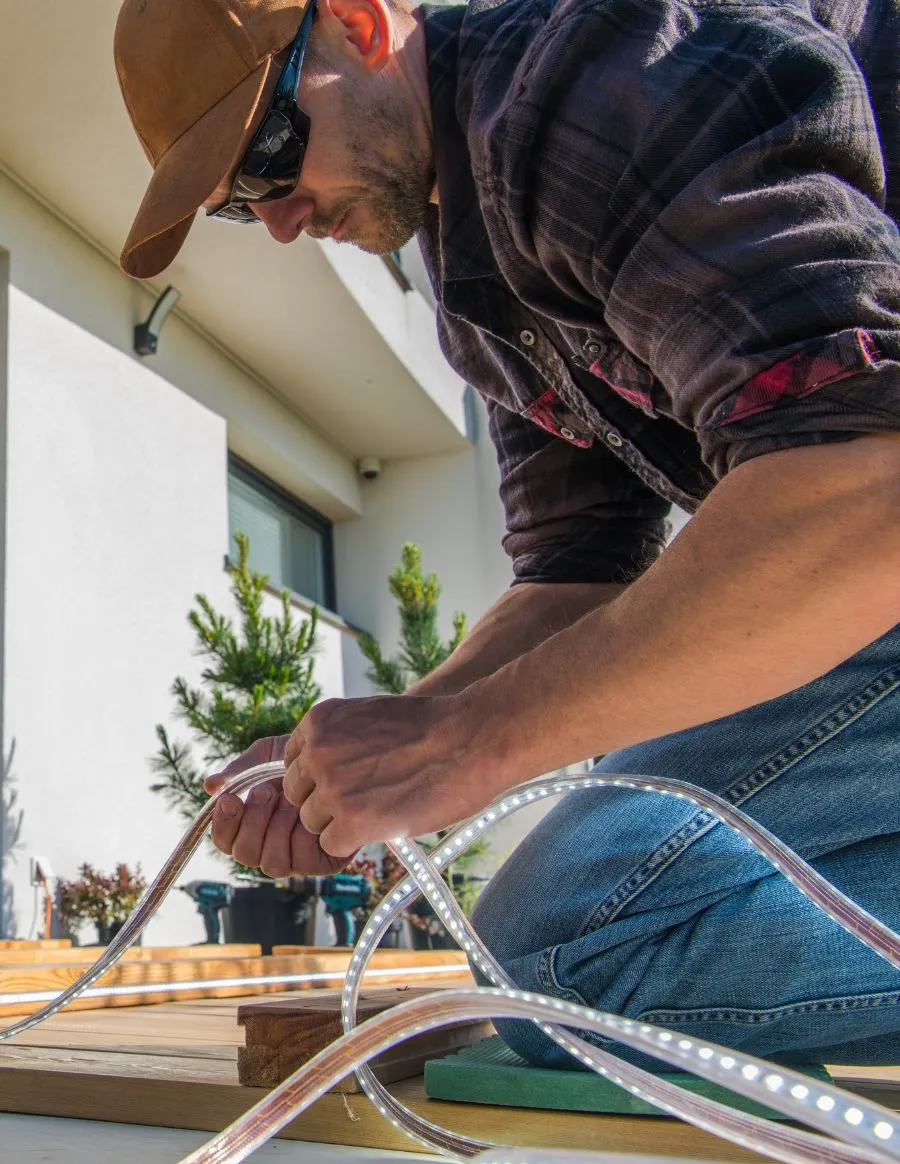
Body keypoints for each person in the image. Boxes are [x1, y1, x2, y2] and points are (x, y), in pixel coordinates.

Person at [114, 0, 900, 1070]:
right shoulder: (475, 260)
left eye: (270, 152)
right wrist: (387, 739)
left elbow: (864, 482)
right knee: (558, 959)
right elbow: (581, 567)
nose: (283, 219)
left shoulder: (600, 79)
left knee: (566, 956)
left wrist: (465, 744)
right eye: (242, 206)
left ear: (360, 24)